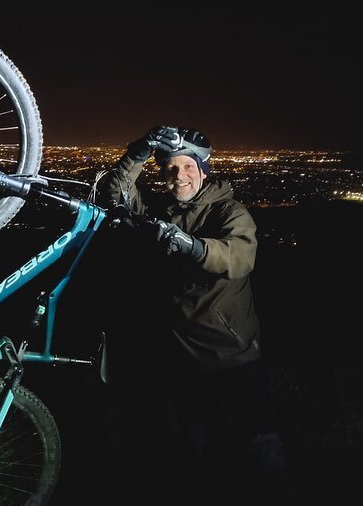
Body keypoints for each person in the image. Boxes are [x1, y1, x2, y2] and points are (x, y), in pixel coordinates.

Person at [92, 126, 290, 501]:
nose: (178, 175)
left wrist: (193, 247)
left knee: (260, 439)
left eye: (187, 166)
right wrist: (140, 150)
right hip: (182, 356)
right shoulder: (160, 212)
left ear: (203, 170)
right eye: (169, 168)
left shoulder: (229, 211)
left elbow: (238, 256)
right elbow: (116, 193)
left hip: (233, 353)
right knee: (194, 439)